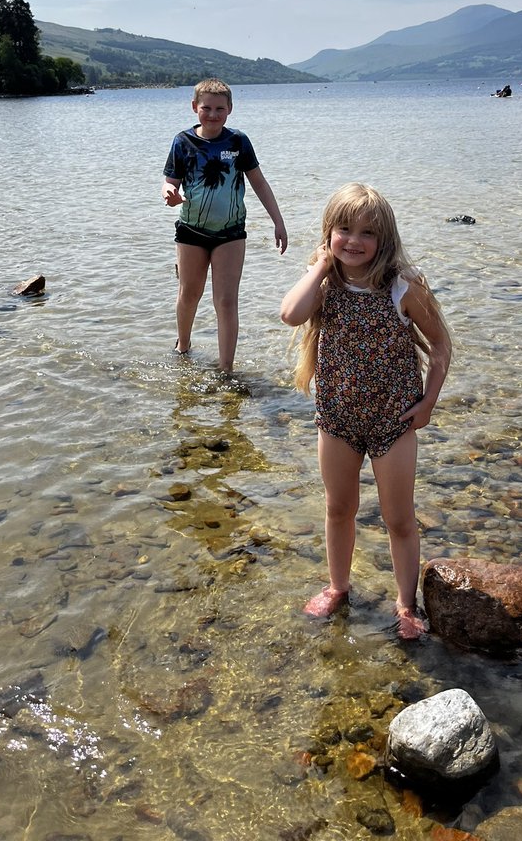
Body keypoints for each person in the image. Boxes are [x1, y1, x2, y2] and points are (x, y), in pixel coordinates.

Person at [280, 184, 452, 640]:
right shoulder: (324, 283)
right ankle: (337, 586)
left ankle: (405, 603)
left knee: (399, 518)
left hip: (393, 419)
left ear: (386, 239)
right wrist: (319, 264)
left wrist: (428, 403)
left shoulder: (402, 287)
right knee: (339, 508)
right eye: (343, 229)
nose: (354, 240)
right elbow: (290, 315)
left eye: (367, 233)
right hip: (337, 417)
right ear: (327, 233)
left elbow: (440, 345)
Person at [162, 78, 287, 372]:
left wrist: (278, 222)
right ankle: (183, 345)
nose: (213, 114)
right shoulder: (183, 141)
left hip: (231, 233)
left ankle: (226, 368)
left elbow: (259, 182)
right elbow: (169, 181)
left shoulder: (238, 141)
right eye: (206, 108)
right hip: (191, 232)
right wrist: (168, 193)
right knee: (189, 293)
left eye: (220, 108)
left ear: (230, 109)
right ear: (195, 107)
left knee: (227, 301)